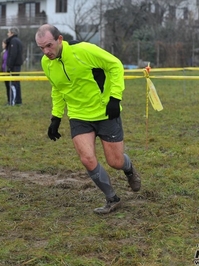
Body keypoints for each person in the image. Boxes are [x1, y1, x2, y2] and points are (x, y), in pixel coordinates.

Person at [35, 24, 141, 214]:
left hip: (105, 112)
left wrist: (115, 98)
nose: (46, 52)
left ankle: (129, 169)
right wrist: (56, 117)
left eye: (49, 46)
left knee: (115, 161)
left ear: (60, 39)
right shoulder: (46, 63)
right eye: (41, 48)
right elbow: (58, 88)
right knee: (87, 159)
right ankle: (112, 199)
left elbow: (115, 65)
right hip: (78, 116)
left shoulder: (84, 50)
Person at [6, 27, 23, 105]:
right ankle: (18, 100)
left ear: (12, 33)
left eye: (8, 32)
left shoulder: (13, 41)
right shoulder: (17, 41)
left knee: (14, 83)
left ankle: (14, 101)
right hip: (17, 65)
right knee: (16, 82)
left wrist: (9, 66)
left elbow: (13, 55)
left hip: (14, 66)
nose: (7, 34)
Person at [0, 39, 14, 105]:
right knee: (7, 87)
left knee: (9, 86)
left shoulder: (8, 52)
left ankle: (11, 100)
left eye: (3, 43)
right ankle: (9, 100)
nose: (2, 45)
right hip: (4, 72)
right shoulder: (3, 52)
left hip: (8, 72)